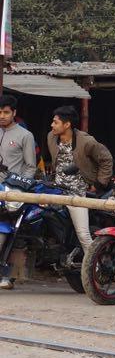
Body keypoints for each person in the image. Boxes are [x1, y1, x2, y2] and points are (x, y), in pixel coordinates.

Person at [46, 106, 114, 250]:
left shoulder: (86, 141)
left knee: (83, 234)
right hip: (56, 189)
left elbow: (106, 159)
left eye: (55, 122)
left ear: (67, 124)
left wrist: (99, 183)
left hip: (78, 192)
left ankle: (93, 262)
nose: (52, 125)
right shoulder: (51, 137)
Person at [0, 95, 38, 290]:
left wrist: (20, 189)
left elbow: (30, 167)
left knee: (8, 232)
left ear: (14, 113)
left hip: (12, 192)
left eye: (6, 112)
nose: (2, 116)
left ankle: (7, 275)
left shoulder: (25, 135)